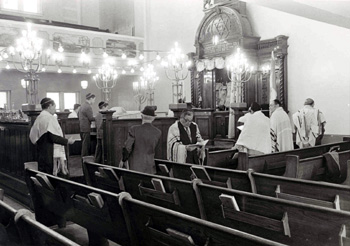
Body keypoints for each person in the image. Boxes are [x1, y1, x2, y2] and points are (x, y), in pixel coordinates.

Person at [29, 98, 75, 175]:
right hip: (50, 152)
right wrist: (67, 141)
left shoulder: (39, 118)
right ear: (50, 106)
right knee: (52, 175)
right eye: (54, 106)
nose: (55, 109)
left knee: (43, 175)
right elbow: (53, 137)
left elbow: (33, 136)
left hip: (41, 151)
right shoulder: (50, 118)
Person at [123, 106, 161, 174]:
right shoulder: (158, 132)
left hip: (135, 167)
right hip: (150, 167)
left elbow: (127, 147)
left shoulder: (134, 129)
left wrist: (123, 160)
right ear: (153, 118)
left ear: (142, 116)